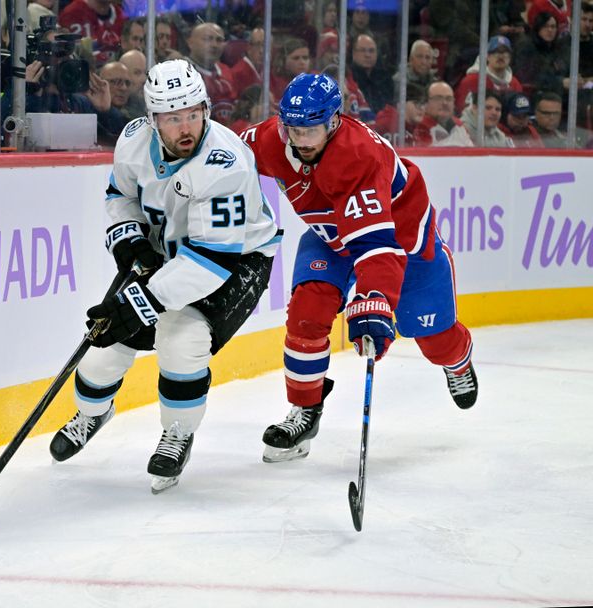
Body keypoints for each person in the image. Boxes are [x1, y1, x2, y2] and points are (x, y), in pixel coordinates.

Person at [48, 59, 281, 492]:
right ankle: (92, 413)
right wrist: (131, 244)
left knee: (181, 338)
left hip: (234, 261)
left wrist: (141, 301)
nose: (186, 126)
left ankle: (178, 432)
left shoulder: (224, 163)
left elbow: (209, 261)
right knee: (104, 348)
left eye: (193, 113)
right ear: (153, 119)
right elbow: (120, 197)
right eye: (173, 118)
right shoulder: (134, 141)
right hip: (165, 251)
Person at [238, 73, 478, 463]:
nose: (300, 140)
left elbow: (374, 246)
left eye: (311, 129)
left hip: (399, 243)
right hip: (331, 240)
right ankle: (305, 411)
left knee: (434, 338)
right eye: (292, 128)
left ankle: (458, 360)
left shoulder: (357, 155)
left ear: (333, 122)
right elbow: (223, 157)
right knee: (306, 313)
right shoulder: (270, 139)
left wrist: (374, 300)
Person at [454, 35, 523, 114]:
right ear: (487, 56)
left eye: (505, 52)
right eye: (496, 52)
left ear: (510, 58)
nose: (500, 56)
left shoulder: (514, 83)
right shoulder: (473, 80)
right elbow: (463, 111)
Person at [185, 22, 236, 125]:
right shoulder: (183, 72)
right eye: (208, 39)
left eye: (219, 40)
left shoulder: (227, 70)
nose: (214, 45)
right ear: (190, 42)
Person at [413, 81, 473, 146]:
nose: (445, 103)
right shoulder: (419, 127)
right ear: (426, 103)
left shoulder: (460, 126)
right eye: (438, 98)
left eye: (449, 99)